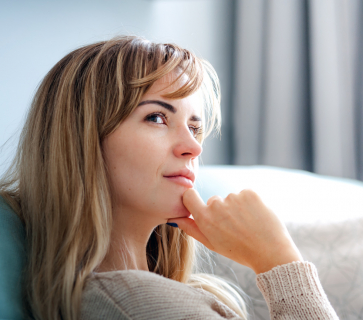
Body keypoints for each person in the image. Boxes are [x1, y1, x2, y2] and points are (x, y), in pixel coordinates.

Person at [0, 36, 338, 320]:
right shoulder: (136, 302)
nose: (193, 147)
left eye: (195, 127)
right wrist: (279, 260)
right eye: (157, 117)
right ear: (81, 140)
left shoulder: (157, 293)